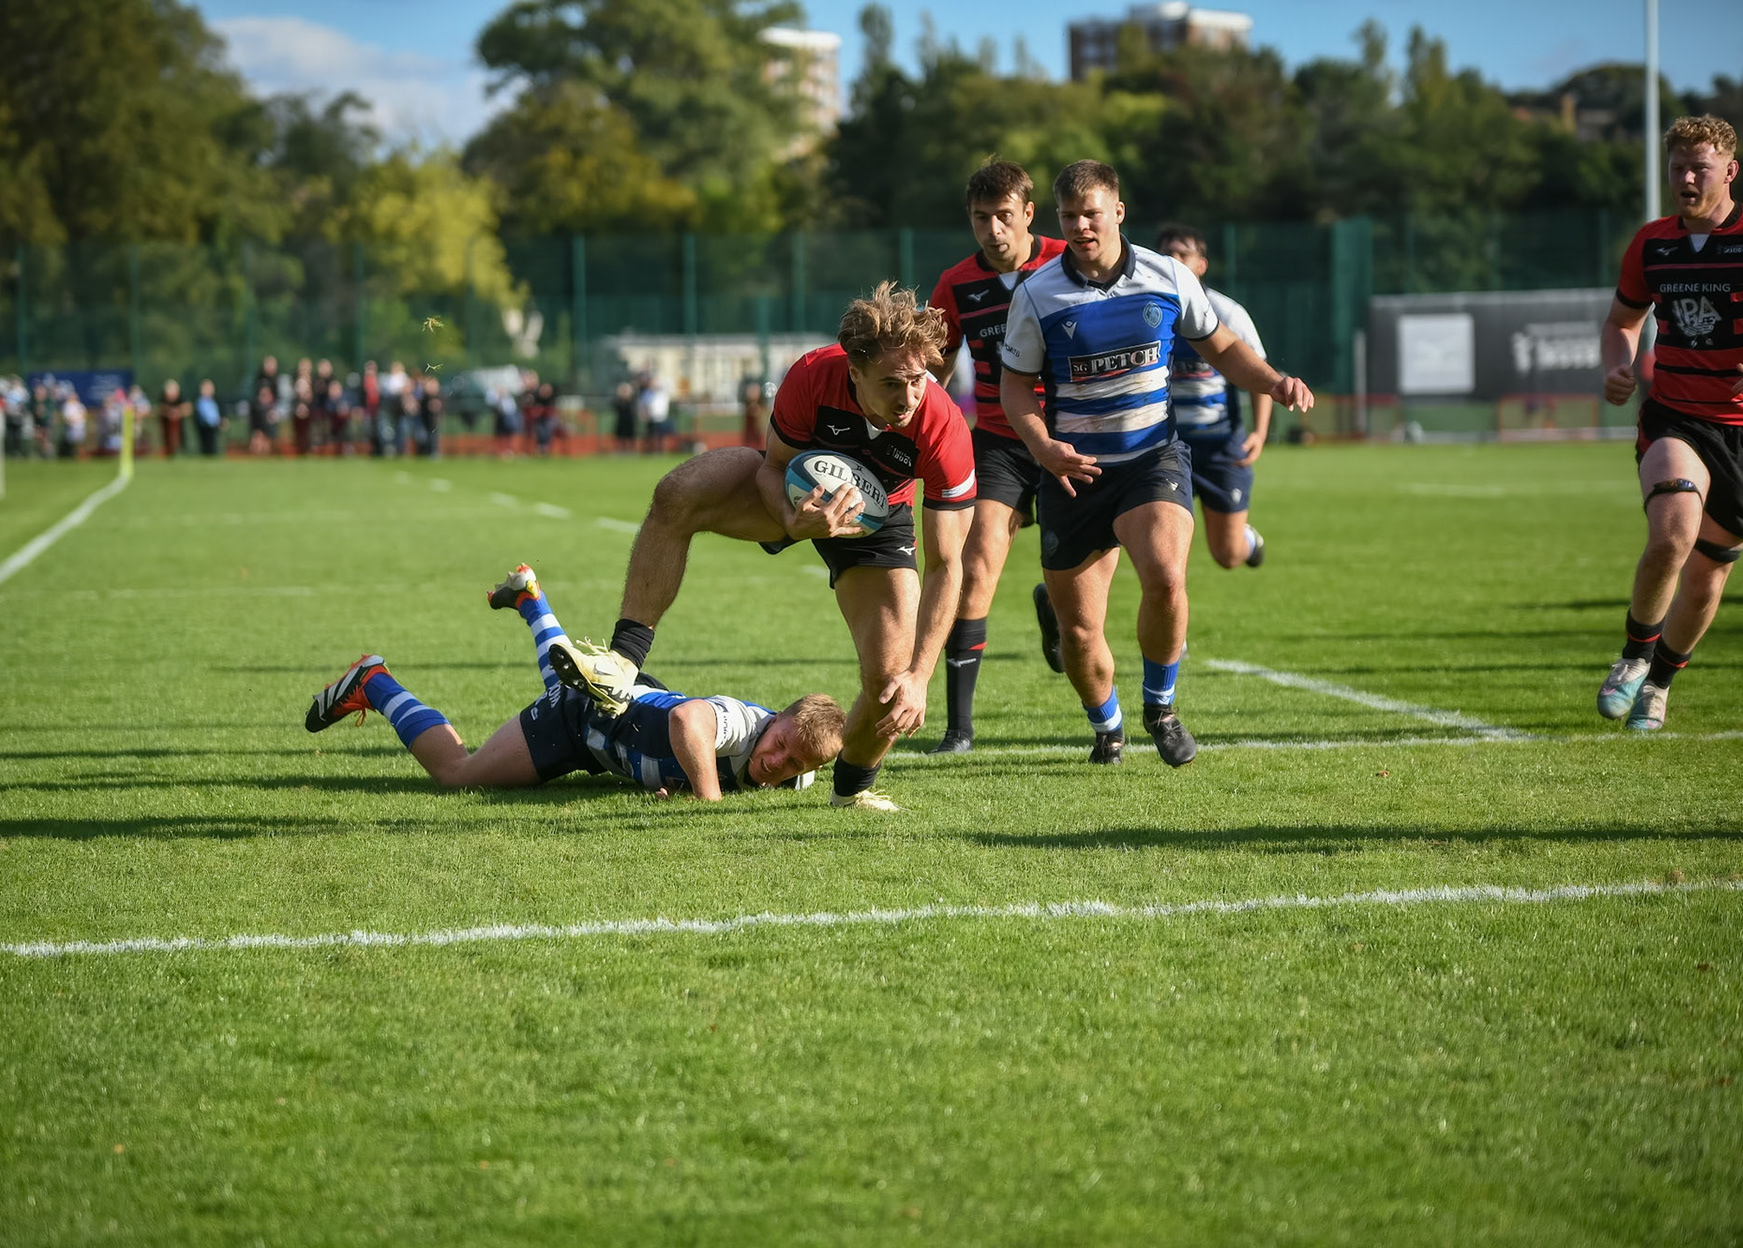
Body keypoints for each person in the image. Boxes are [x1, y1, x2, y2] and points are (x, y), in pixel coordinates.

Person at [553, 282, 976, 812]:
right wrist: (790, 520)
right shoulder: (811, 375)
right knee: (677, 495)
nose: (909, 397)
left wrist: (920, 675)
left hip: (876, 524)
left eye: (917, 380)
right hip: (795, 494)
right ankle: (623, 664)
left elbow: (947, 564)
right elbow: (773, 468)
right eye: (892, 383)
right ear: (854, 371)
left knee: (890, 680)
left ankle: (851, 791)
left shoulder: (943, 428)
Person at [999, 160, 1313, 767]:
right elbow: (1016, 389)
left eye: (1092, 213)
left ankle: (1161, 708)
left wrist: (1273, 382)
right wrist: (1041, 447)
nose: (1081, 225)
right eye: (1069, 217)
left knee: (1167, 577)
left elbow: (1221, 347)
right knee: (1080, 631)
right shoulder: (1037, 295)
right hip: (1074, 472)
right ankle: (1107, 724)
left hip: (1152, 458)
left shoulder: (1166, 276)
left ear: (1118, 212)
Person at [304, 563, 846, 798]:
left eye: (796, 764)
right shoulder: (743, 724)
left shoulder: (799, 763)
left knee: (567, 681)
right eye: (780, 747)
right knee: (457, 775)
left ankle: (530, 599)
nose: (780, 762)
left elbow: (837, 756)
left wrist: (860, 793)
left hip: (617, 726)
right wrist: (705, 798)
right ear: (773, 718)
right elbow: (689, 719)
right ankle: (373, 681)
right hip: (590, 722)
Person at [1597, 114, 1743, 731]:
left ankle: (1662, 683)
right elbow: (1622, 322)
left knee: (1707, 574)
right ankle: (1634, 656)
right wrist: (1618, 368)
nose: (1687, 178)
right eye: (1677, 168)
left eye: (1699, 167)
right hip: (1675, 417)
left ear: (1730, 170)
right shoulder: (1652, 243)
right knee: (1673, 531)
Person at [924, 159, 1067, 753]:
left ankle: (1056, 609)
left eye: (1004, 216)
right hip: (999, 443)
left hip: (1068, 440)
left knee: (1075, 573)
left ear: (1029, 214)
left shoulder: (1068, 261)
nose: (993, 229)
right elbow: (933, 368)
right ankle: (959, 730)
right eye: (981, 218)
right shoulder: (954, 284)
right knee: (976, 569)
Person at [1157, 224, 1272, 571]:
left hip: (1220, 444)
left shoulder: (1228, 313)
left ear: (1201, 264)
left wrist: (1260, 432)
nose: (1173, 261)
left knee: (1228, 555)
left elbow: (1259, 373)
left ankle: (1247, 541)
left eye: (1182, 254)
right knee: (1162, 552)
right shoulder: (1146, 312)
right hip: (1167, 447)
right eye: (1166, 254)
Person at [157, 378, 189, 458]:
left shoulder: (181, 398)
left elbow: (187, 408)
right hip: (166, 426)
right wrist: (169, 412)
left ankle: (182, 453)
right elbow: (160, 408)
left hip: (180, 426)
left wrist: (178, 412)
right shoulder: (162, 398)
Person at [193, 379, 223, 456]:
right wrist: (214, 422)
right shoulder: (201, 402)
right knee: (207, 446)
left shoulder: (213, 402)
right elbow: (205, 415)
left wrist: (219, 421)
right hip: (205, 426)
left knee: (212, 445)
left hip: (213, 426)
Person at [613, 379, 640, 452]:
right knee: (621, 436)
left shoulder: (632, 400)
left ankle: (630, 450)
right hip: (621, 420)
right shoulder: (619, 401)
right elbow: (615, 406)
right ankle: (621, 450)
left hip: (630, 420)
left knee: (630, 436)